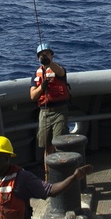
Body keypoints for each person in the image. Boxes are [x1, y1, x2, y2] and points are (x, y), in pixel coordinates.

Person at [30, 43, 71, 173]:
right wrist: (42, 87)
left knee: (60, 143)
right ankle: (49, 175)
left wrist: (49, 64)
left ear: (52, 56)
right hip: (44, 112)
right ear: (38, 58)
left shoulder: (59, 70)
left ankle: (63, 173)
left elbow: (59, 71)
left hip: (59, 111)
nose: (45, 56)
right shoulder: (35, 75)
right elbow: (32, 96)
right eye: (42, 55)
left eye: (47, 53)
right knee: (47, 147)